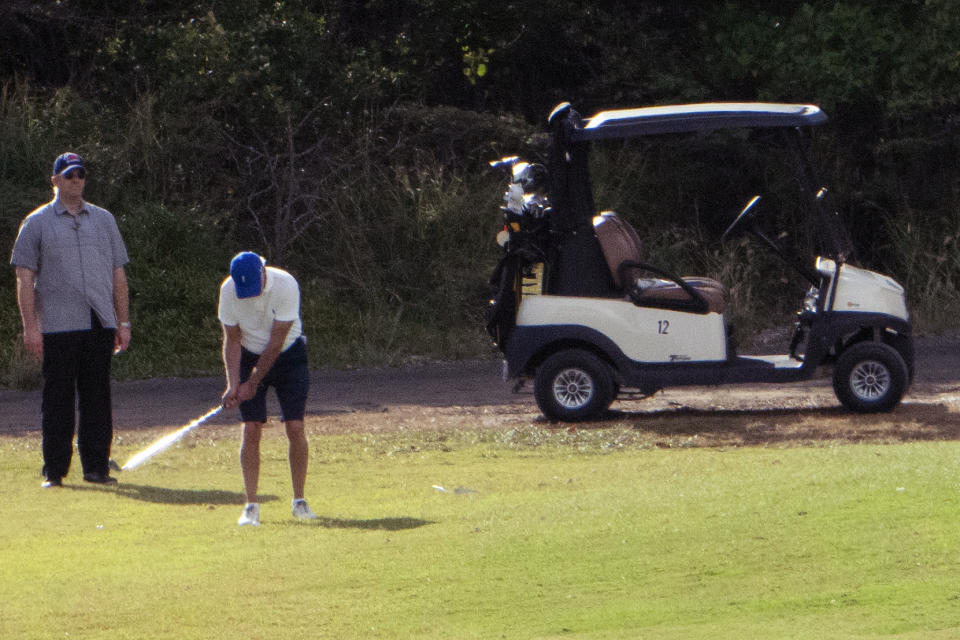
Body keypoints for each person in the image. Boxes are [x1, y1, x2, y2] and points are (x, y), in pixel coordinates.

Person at [10, 152, 131, 488]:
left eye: (80, 174)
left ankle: (96, 467)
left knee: (97, 397)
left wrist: (123, 322)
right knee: (58, 399)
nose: (76, 180)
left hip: (98, 321)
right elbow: (24, 276)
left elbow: (117, 273)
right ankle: (54, 470)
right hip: (57, 324)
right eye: (69, 175)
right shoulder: (36, 222)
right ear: (55, 181)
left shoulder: (104, 220)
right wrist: (30, 326)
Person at [218, 251, 316, 526]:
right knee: (251, 428)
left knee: (295, 426)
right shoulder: (229, 290)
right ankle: (251, 506)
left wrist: (252, 382)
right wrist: (233, 384)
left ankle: (299, 500)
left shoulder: (285, 284)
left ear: (263, 272)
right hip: (248, 353)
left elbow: (276, 342)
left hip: (289, 355)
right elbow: (233, 339)